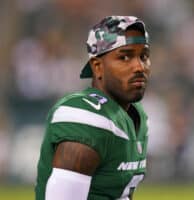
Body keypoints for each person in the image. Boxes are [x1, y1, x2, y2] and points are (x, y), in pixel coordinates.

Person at [35, 15, 151, 200]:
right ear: (97, 67)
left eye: (143, 56)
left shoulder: (136, 115)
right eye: (125, 57)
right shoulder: (86, 116)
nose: (139, 66)